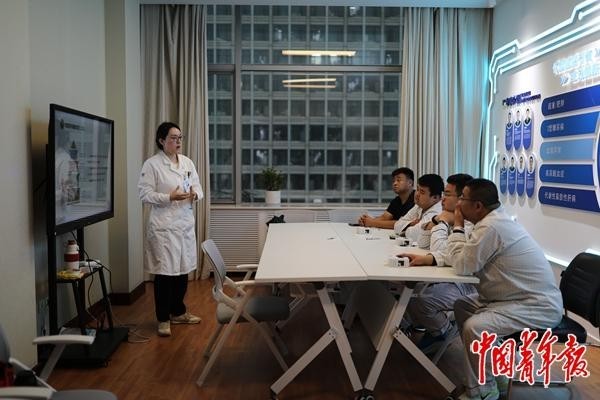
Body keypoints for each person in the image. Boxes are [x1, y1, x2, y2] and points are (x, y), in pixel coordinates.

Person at [446, 179, 562, 400]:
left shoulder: (492, 227)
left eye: (462, 198)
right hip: (511, 299)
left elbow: (462, 265)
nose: (458, 203)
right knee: (462, 306)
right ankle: (497, 374)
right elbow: (465, 258)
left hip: (537, 306)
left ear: (478, 206)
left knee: (476, 327)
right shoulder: (492, 221)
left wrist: (457, 226)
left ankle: (483, 392)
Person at [138, 122, 203, 337]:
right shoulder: (152, 165)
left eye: (180, 137)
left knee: (183, 271)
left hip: (184, 225)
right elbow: (144, 194)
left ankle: (178, 312)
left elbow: (198, 187)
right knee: (165, 274)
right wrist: (169, 197)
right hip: (164, 227)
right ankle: (163, 318)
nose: (178, 142)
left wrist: (195, 194)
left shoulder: (187, 162)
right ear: (162, 140)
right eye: (173, 138)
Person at [401, 174, 477, 353]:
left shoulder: (470, 224)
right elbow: (423, 244)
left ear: (462, 198)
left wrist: (441, 222)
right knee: (410, 291)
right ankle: (434, 329)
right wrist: (437, 221)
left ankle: (443, 332)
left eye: (448, 194)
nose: (443, 199)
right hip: (454, 277)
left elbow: (442, 250)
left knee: (420, 299)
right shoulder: (449, 216)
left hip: (471, 285)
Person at [394, 174, 444, 243]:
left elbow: (416, 235)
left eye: (422, 192)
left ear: (435, 197)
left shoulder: (437, 211)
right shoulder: (419, 206)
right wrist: (411, 224)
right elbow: (397, 225)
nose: (417, 194)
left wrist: (405, 229)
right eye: (417, 189)